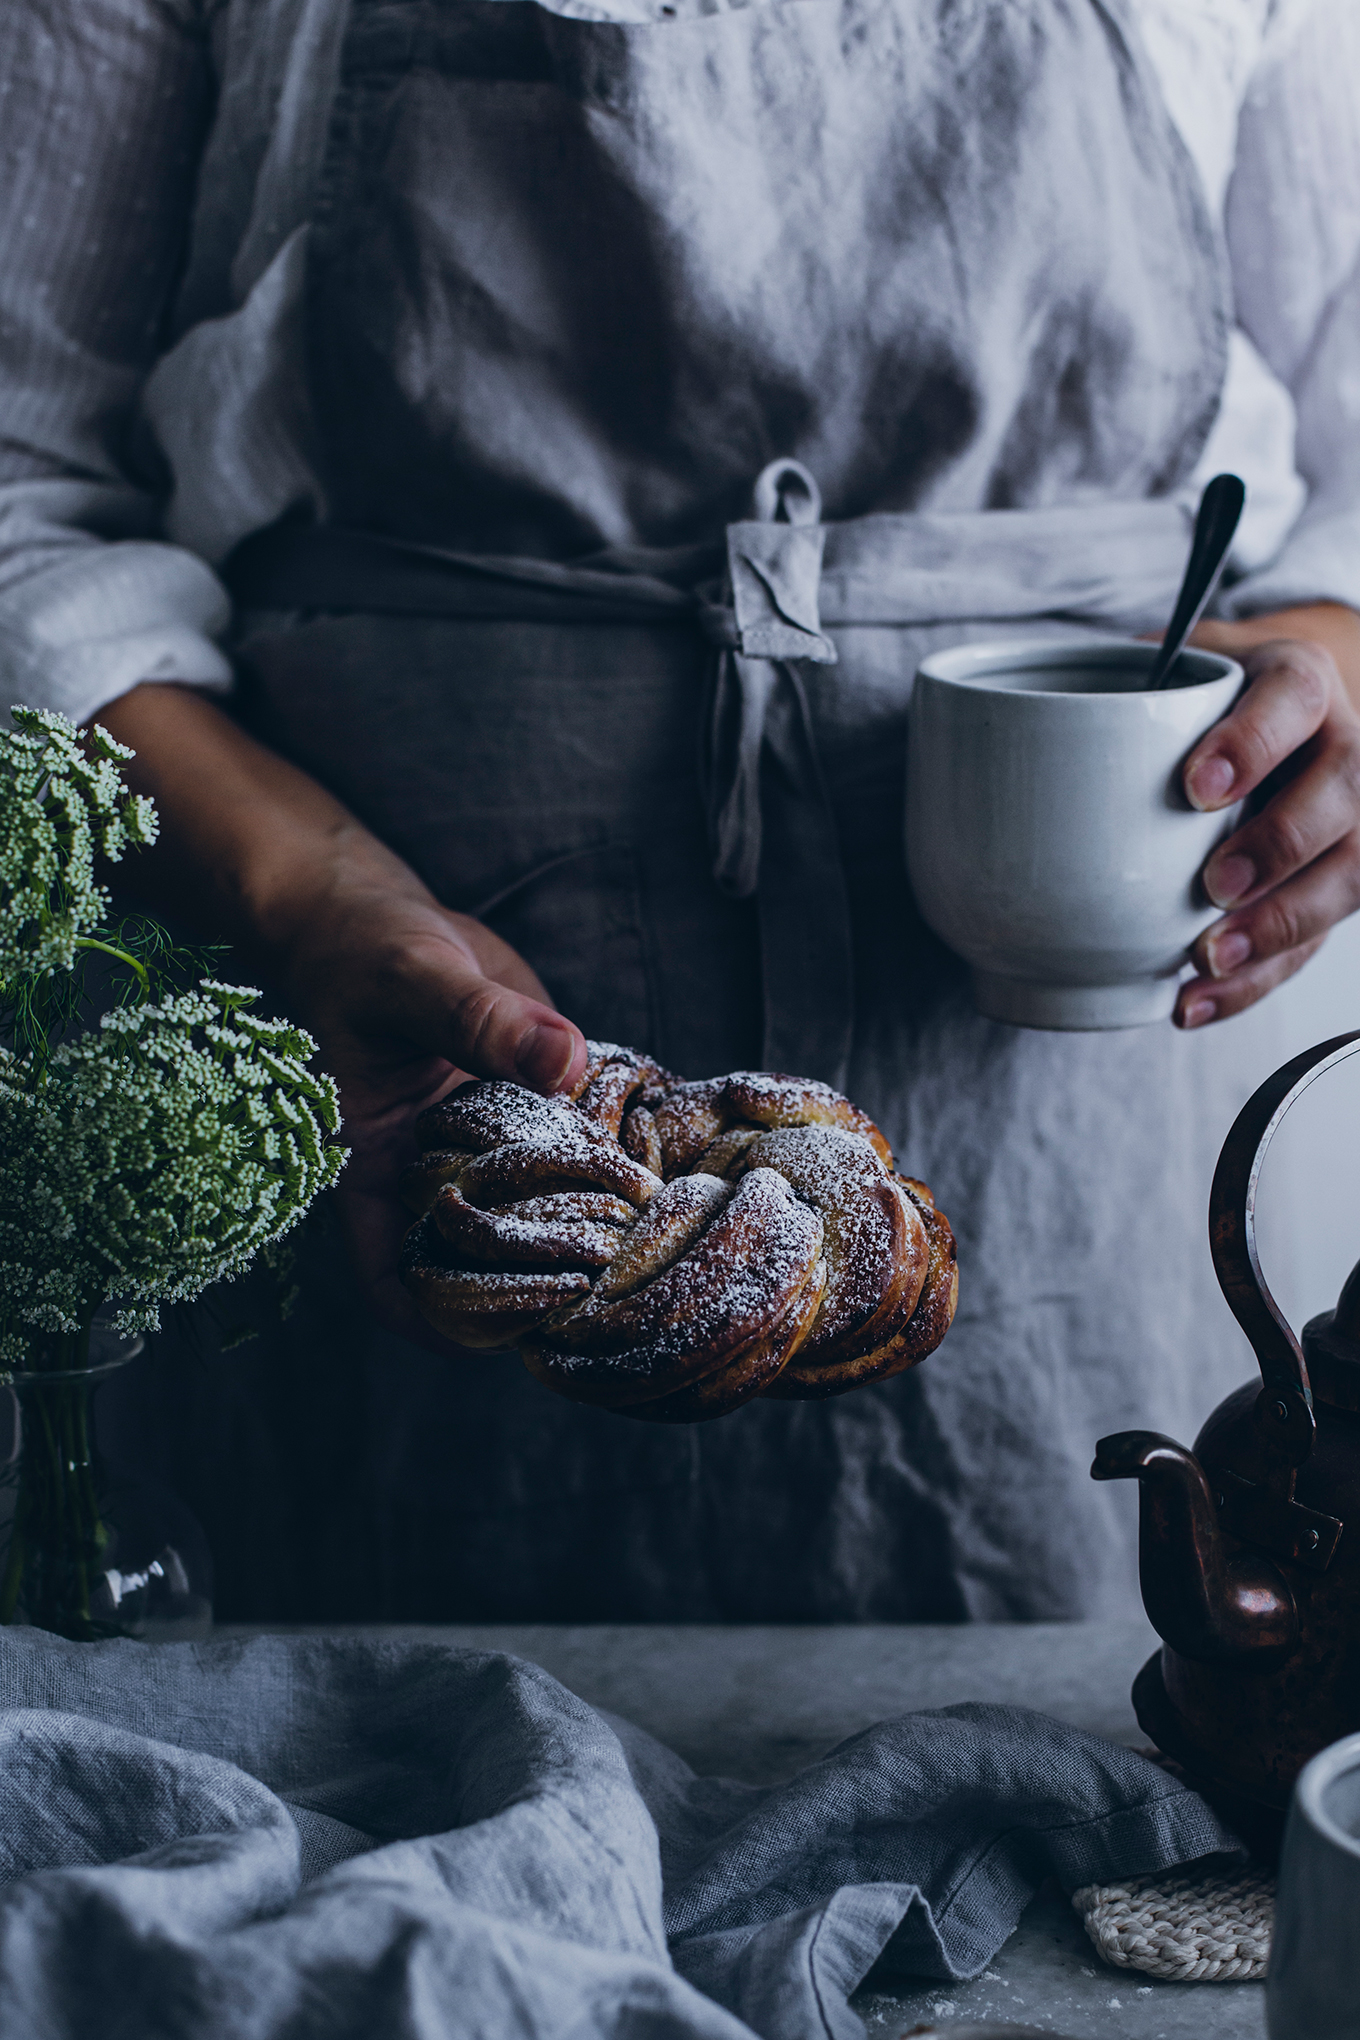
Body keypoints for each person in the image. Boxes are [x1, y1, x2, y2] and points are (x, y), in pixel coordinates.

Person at [2, 0, 1358, 1622]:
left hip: (1081, 1129)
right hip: (388, 1087)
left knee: (1074, 1773)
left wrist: (1340, 665)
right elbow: (21, 484)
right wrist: (299, 887)